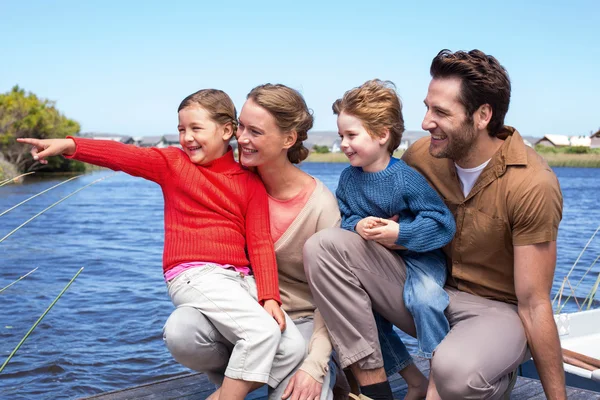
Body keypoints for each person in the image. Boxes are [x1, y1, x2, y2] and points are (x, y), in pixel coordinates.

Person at [305, 49, 565, 400]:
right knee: (324, 247)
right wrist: (384, 233)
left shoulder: (532, 183)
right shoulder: (421, 156)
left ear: (483, 115)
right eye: (427, 107)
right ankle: (375, 390)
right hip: (423, 287)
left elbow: (534, 304)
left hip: (496, 311)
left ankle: (493, 376)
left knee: (453, 373)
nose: (426, 122)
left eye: (440, 112)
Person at [18, 89, 305, 400]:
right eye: (182, 129)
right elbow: (122, 155)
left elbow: (260, 242)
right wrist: (71, 145)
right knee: (260, 333)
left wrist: (269, 297)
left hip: (239, 279)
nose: (186, 137)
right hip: (195, 273)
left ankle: (222, 393)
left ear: (226, 131)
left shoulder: (250, 182)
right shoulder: (173, 164)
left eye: (196, 128)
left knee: (293, 347)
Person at [163, 83, 348, 400]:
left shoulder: (320, 205)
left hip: (301, 325)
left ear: (288, 140)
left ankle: (240, 388)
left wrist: (314, 365)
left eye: (255, 132)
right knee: (182, 329)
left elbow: (334, 300)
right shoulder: (230, 183)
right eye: (242, 127)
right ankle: (240, 380)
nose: (242, 138)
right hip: (246, 317)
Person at [305, 79, 455, 400]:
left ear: (382, 135)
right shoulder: (348, 178)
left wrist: (400, 233)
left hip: (420, 261)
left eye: (351, 135)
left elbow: (441, 224)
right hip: (380, 263)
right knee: (367, 315)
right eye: (341, 135)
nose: (343, 144)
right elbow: (347, 217)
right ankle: (413, 379)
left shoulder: (405, 178)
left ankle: (441, 376)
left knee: (425, 299)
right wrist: (358, 226)